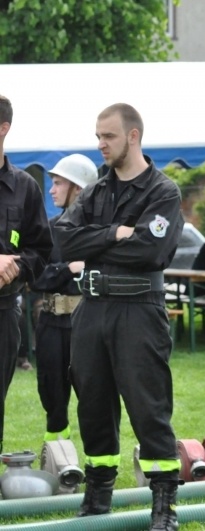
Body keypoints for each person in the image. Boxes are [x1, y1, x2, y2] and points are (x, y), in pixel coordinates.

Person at [54, 103, 184, 530]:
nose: (100, 144)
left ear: (132, 136)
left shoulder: (162, 192)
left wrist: (95, 243)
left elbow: (152, 250)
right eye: (97, 136)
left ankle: (164, 505)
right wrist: (113, 233)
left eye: (107, 136)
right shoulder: (95, 190)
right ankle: (98, 495)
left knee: (148, 406)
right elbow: (64, 241)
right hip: (92, 310)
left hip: (138, 311)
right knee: (91, 403)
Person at [0, 94, 53, 455]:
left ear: (3, 129)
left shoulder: (25, 188)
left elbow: (41, 249)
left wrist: (16, 264)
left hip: (4, 312)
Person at [33, 154, 98, 443]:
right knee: (52, 396)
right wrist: (68, 268)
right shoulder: (47, 229)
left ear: (79, 189)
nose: (51, 189)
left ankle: (99, 464)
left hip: (87, 322)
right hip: (50, 322)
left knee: (94, 395)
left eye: (58, 183)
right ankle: (59, 460)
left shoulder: (99, 232)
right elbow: (35, 277)